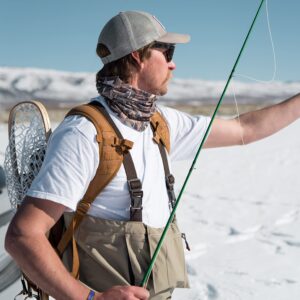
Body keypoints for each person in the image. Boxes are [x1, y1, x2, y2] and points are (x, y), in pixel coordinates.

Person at [5, 10, 300, 300]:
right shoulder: (83, 134)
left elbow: (243, 129)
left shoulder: (159, 122)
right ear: (137, 56)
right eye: (167, 52)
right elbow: (23, 236)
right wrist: (91, 298)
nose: (173, 65)